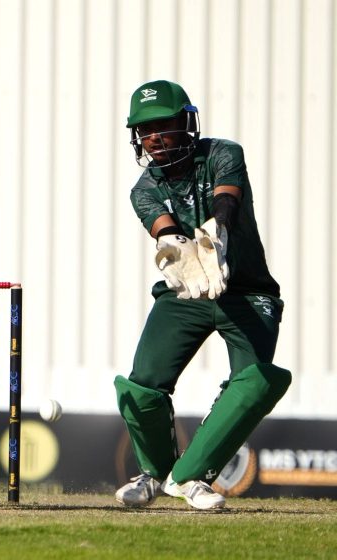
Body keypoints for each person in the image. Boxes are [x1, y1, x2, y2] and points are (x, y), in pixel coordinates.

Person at [114, 79, 291, 510]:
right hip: (188, 290)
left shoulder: (222, 153)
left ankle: (191, 477)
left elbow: (227, 197)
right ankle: (155, 474)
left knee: (255, 382)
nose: (153, 137)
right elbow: (163, 229)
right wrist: (174, 247)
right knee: (142, 386)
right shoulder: (144, 188)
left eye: (163, 125)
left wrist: (218, 230)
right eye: (145, 129)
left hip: (247, 290)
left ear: (185, 123)